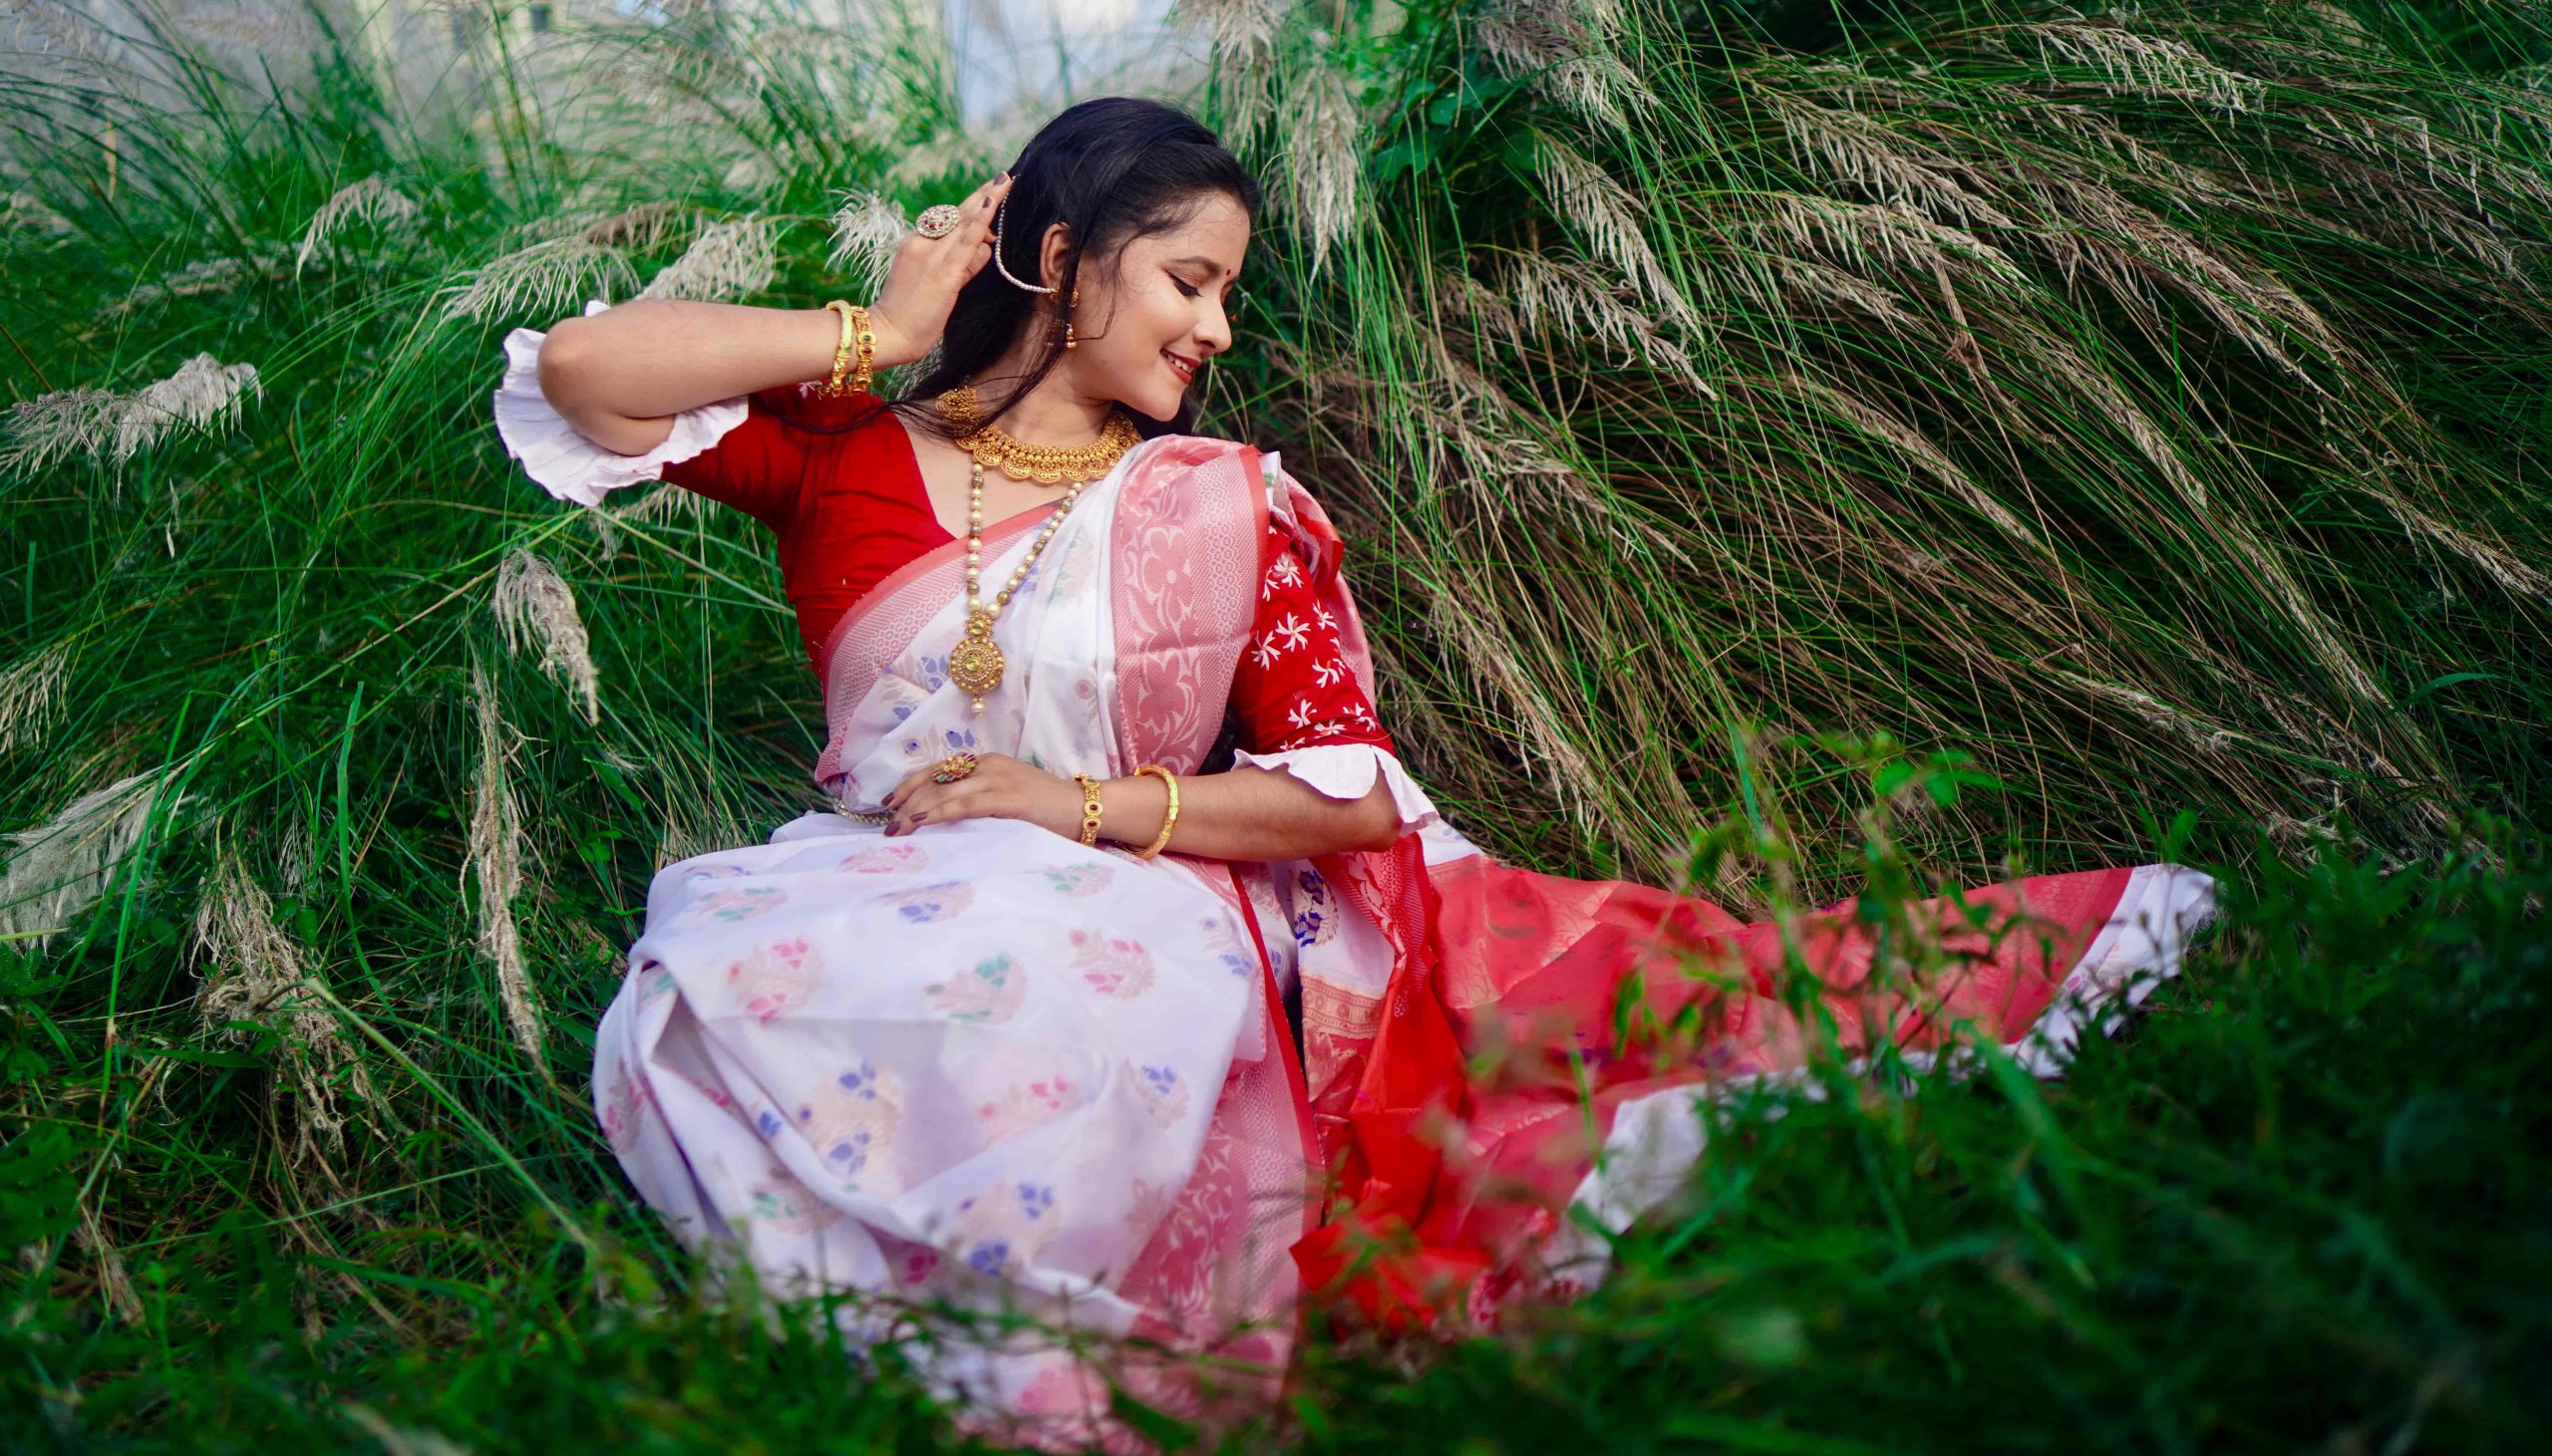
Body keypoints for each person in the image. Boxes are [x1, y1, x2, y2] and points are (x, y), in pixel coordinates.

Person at [490, 96, 2217, 1452]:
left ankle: (1042, 1354)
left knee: (1056, 993)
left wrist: (1067, 806)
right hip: (874, 876)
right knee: (725, 986)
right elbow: (586, 374)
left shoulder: (1229, 505)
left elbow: (1348, 799)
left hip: (1135, 892)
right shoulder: (845, 456)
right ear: (1070, 256)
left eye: (1228, 294)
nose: (1219, 330)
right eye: (1191, 281)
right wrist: (875, 331)